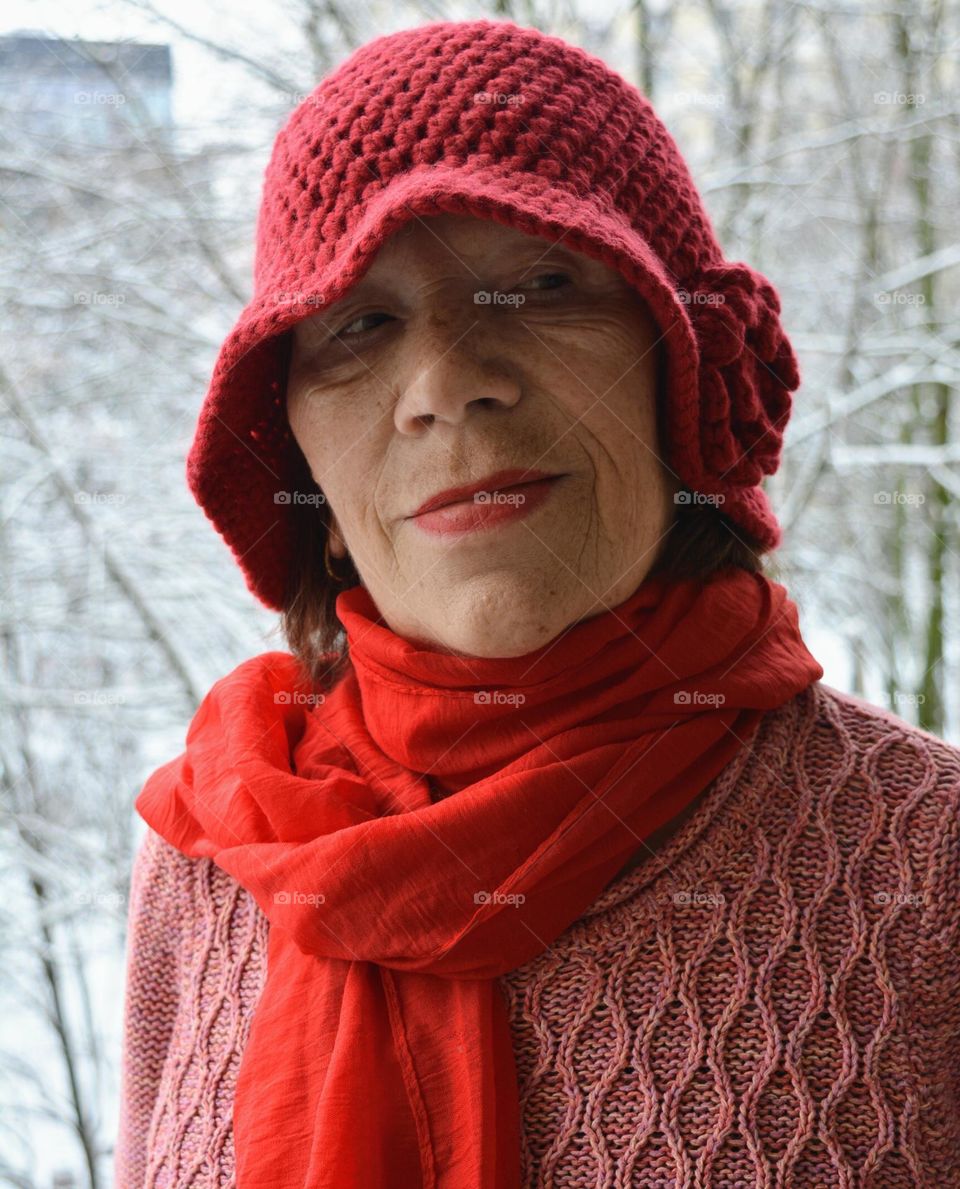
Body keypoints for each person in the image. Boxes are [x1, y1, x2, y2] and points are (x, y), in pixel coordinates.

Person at [113, 19, 960, 1189]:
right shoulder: (212, 858)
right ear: (291, 433)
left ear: (684, 363)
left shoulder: (926, 860)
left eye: (539, 283)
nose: (450, 382)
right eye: (359, 323)